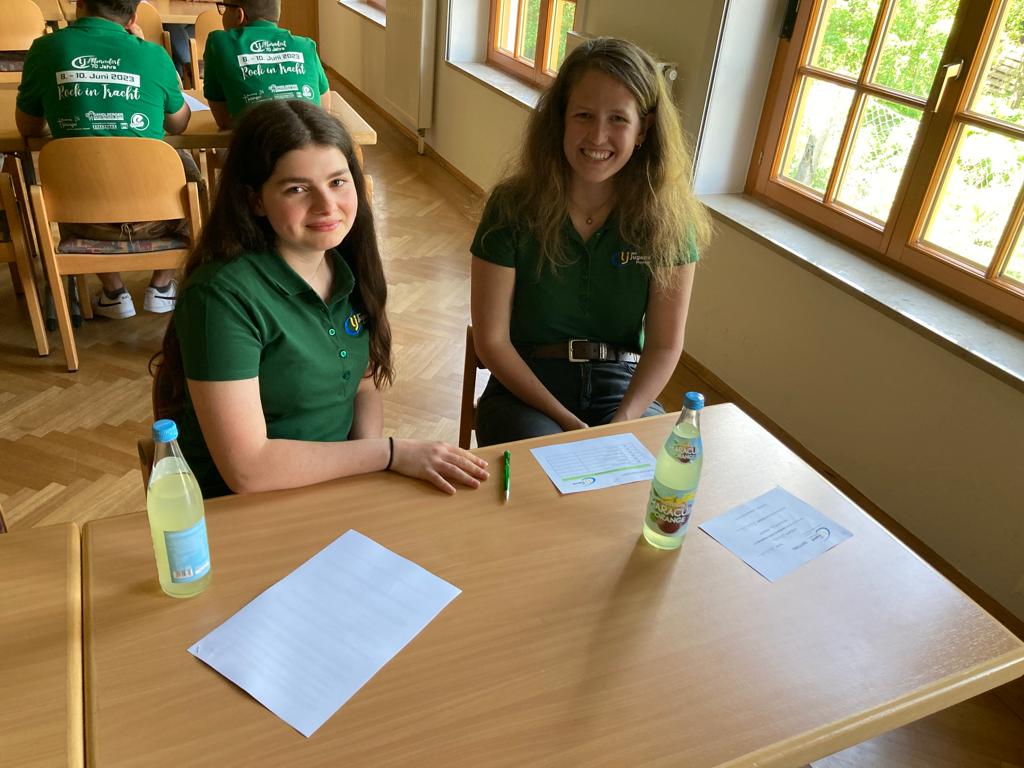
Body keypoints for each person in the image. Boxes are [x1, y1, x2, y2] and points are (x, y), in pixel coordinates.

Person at [154, 99, 488, 498]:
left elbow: (363, 387)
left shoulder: (347, 263)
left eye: (338, 182)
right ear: (255, 200)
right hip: (243, 508)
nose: (327, 206)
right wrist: (388, 455)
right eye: (297, 189)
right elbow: (248, 470)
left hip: (336, 484)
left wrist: (367, 479)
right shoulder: (220, 298)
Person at [470, 37, 712, 446]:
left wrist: (622, 421)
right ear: (560, 119)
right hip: (525, 387)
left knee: (646, 474)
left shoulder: (670, 221)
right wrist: (564, 420)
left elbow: (665, 345)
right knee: (544, 468)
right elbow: (491, 340)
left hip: (623, 385)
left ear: (643, 129)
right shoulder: (511, 206)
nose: (598, 136)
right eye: (583, 115)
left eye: (618, 119)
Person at [15, 0, 193, 320]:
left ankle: (114, 292)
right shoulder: (154, 55)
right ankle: (162, 285)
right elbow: (179, 125)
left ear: (80, 4)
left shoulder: (45, 50)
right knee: (188, 170)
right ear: (133, 16)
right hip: (159, 220)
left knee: (71, 170)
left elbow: (28, 128)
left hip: (83, 222)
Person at [202, 0, 329, 129]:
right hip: (313, 138)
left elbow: (223, 120)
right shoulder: (306, 46)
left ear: (239, 15)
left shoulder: (218, 42)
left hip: (256, 140)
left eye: (224, 9)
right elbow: (324, 108)